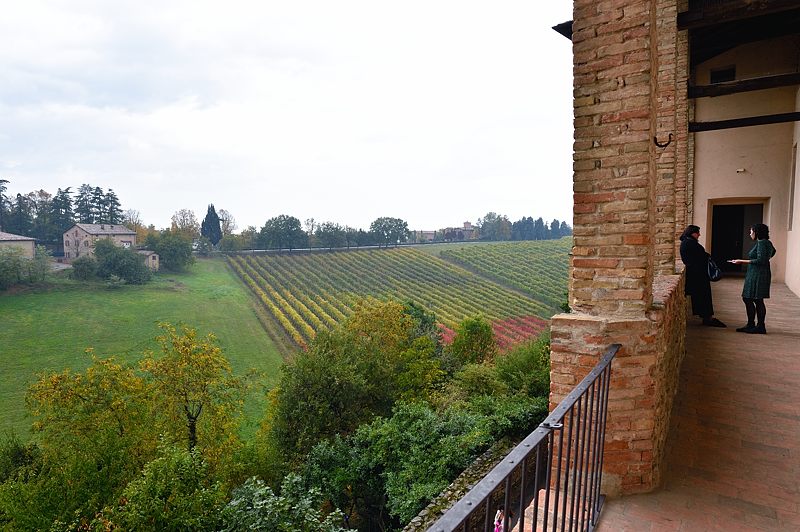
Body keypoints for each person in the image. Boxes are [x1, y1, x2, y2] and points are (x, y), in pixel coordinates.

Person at [729, 223, 776, 334]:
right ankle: (754, 325)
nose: (750, 234)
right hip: (758, 273)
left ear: (756, 232)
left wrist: (741, 261)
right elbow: (773, 252)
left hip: (758, 274)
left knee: (754, 299)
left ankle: (758, 326)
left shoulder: (761, 243)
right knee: (753, 299)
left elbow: (761, 260)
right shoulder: (766, 243)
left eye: (751, 232)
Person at [679, 225, 726, 327]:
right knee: (704, 296)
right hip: (697, 275)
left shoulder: (687, 242)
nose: (699, 234)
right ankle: (707, 318)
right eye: (697, 233)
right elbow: (701, 256)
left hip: (696, 273)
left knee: (702, 296)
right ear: (692, 233)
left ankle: (707, 317)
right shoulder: (689, 243)